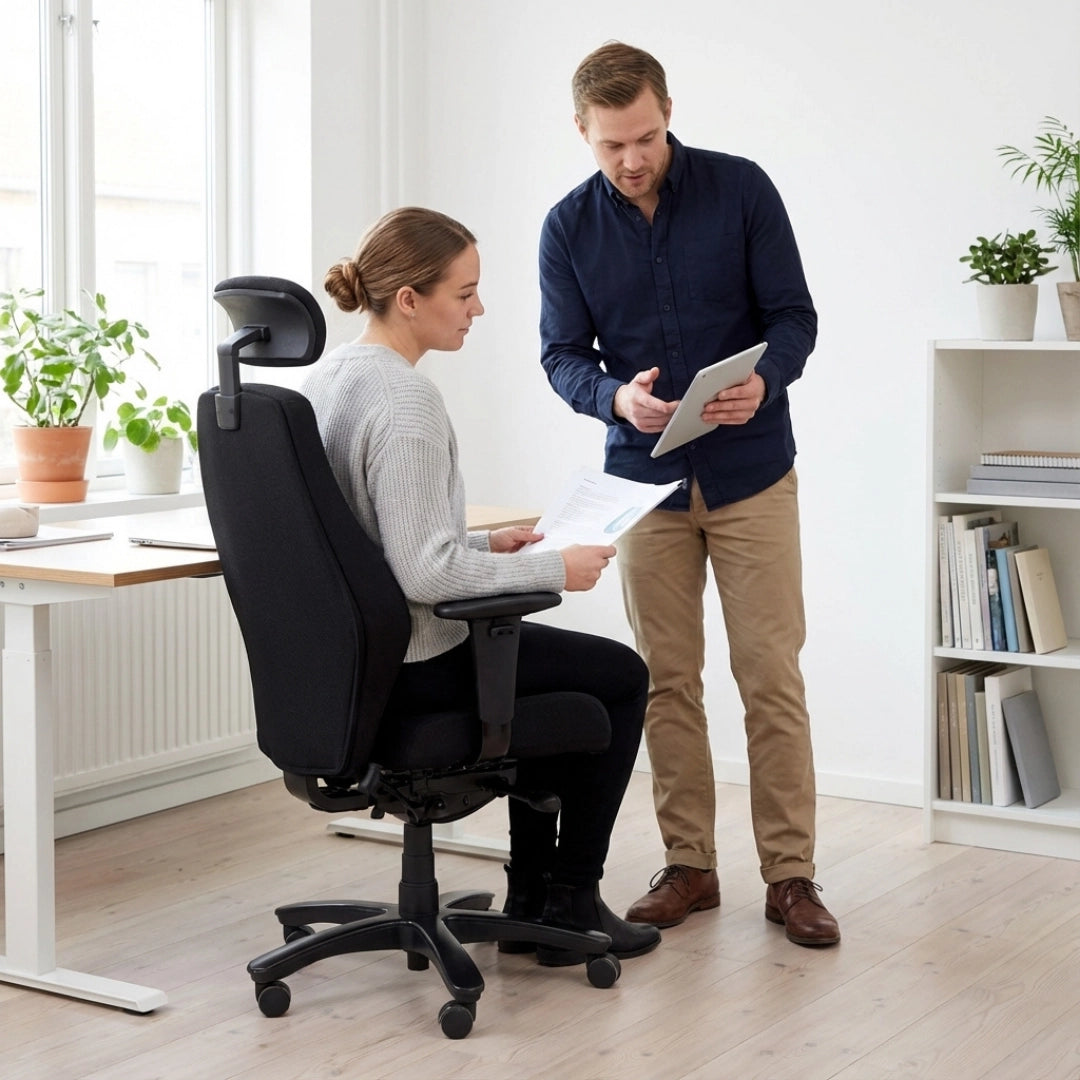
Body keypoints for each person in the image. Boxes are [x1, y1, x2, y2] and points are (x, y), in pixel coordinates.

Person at [301, 205, 661, 965]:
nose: (479, 309)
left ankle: (537, 893)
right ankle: (563, 897)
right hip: (415, 668)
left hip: (350, 671)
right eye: (463, 294)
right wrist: (552, 568)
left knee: (561, 681)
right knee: (621, 678)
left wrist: (483, 543)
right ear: (409, 298)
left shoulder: (328, 380)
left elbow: (369, 541)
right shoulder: (405, 399)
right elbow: (426, 574)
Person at [538, 43, 839, 946]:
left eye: (647, 137)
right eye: (610, 146)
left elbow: (795, 318)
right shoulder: (566, 229)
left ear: (668, 111)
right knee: (668, 683)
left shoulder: (743, 189)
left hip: (753, 477)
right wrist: (613, 396)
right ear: (582, 133)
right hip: (644, 487)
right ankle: (690, 865)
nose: (631, 159)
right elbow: (561, 355)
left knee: (770, 678)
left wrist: (769, 378)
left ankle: (791, 878)